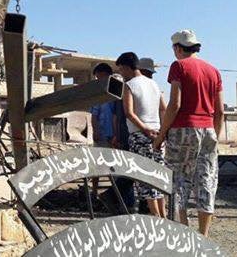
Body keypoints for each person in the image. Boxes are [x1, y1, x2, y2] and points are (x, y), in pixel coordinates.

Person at [154, 30, 223, 237]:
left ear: (177, 48)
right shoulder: (213, 71)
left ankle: (184, 235)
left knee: (178, 182)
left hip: (183, 129)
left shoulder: (179, 66)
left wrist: (160, 136)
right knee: (206, 181)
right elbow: (220, 111)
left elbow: (174, 105)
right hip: (208, 129)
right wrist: (215, 137)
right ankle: (204, 236)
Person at [116, 52, 167, 218]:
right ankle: (164, 215)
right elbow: (163, 109)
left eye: (121, 69)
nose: (121, 73)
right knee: (158, 176)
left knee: (145, 177)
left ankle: (156, 216)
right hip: (158, 134)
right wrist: (162, 131)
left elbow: (129, 113)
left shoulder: (129, 85)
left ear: (126, 67)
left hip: (139, 135)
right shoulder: (154, 84)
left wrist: (145, 129)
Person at [89, 63, 115, 197]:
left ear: (107, 75)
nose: (98, 80)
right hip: (102, 135)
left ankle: (116, 193)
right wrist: (96, 131)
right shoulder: (97, 94)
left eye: (100, 77)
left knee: (115, 166)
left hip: (115, 136)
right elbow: (94, 116)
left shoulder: (117, 90)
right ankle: (94, 192)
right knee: (98, 165)